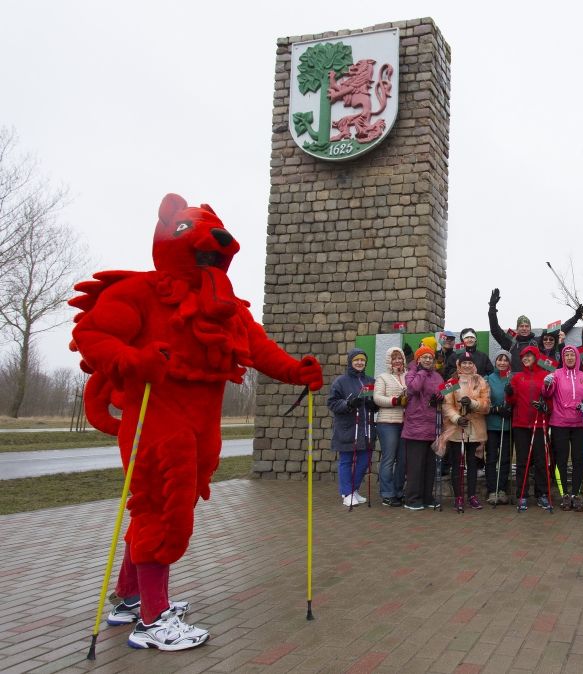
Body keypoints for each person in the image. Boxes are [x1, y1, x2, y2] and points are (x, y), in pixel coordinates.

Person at [72, 193, 322, 651]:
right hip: (156, 413)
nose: (215, 249)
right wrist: (133, 357)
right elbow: (93, 334)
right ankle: (152, 619)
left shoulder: (225, 304)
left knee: (171, 501)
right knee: (162, 506)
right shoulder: (140, 293)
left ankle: (129, 597)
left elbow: (259, 347)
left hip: (203, 420)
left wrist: (294, 371)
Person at [434, 353, 490, 512]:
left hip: (475, 428)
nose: (467, 365)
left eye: (469, 363)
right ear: (459, 364)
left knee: (472, 464)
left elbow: (486, 404)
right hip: (457, 428)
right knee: (457, 464)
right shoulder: (452, 382)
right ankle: (458, 497)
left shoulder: (480, 381)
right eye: (464, 362)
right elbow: (447, 405)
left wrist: (472, 403)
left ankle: (472, 495)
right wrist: (457, 418)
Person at [544, 345, 583, 511]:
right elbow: (547, 394)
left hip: (579, 423)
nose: (570, 358)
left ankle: (575, 494)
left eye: (572, 355)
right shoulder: (556, 374)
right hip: (560, 423)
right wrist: (547, 384)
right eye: (567, 355)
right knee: (561, 460)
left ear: (577, 357)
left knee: (578, 460)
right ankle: (564, 494)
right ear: (563, 358)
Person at [487, 288, 583, 371]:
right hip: (516, 382)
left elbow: (561, 329)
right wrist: (492, 308)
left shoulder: (538, 341)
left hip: (536, 381)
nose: (524, 328)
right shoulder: (510, 343)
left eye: (526, 326)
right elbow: (495, 330)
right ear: (517, 329)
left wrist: (576, 317)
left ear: (530, 328)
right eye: (521, 326)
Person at [327, 348, 376, 507]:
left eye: (362, 360)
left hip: (366, 427)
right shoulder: (340, 381)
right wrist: (348, 404)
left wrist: (373, 404)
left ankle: (354, 490)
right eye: (356, 360)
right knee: (346, 460)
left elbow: (376, 402)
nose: (360, 363)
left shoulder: (371, 380)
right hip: (348, 427)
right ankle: (346, 493)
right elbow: (332, 403)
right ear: (350, 362)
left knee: (364, 461)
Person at [505, 346, 552, 511]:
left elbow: (550, 397)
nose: (525, 358)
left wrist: (545, 407)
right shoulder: (517, 378)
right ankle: (522, 495)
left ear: (536, 357)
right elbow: (511, 401)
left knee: (540, 461)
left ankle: (542, 494)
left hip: (539, 424)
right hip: (521, 424)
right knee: (522, 461)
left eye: (529, 356)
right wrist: (509, 393)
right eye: (523, 356)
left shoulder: (545, 376)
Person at [402, 346, 444, 511]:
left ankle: (427, 496)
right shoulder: (411, 374)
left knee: (430, 465)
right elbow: (413, 388)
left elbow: (442, 393)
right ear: (418, 359)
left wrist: (439, 397)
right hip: (416, 426)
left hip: (432, 425)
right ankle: (412, 498)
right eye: (424, 357)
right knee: (415, 466)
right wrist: (421, 372)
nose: (428, 360)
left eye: (430, 357)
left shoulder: (438, 376)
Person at [373, 346, 407, 507]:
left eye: (399, 357)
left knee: (402, 460)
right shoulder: (383, 377)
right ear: (389, 361)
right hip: (387, 422)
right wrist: (395, 400)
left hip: (405, 422)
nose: (397, 361)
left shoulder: (409, 376)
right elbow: (377, 398)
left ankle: (399, 491)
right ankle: (387, 493)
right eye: (394, 358)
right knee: (389, 458)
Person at [484, 350, 514, 504]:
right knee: (491, 458)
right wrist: (496, 409)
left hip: (507, 425)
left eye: (505, 360)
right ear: (495, 361)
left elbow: (517, 399)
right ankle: (491, 490)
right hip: (492, 425)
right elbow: (483, 401)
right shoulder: (488, 379)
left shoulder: (512, 378)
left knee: (504, 459)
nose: (502, 363)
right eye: (499, 360)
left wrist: (510, 405)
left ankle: (501, 489)